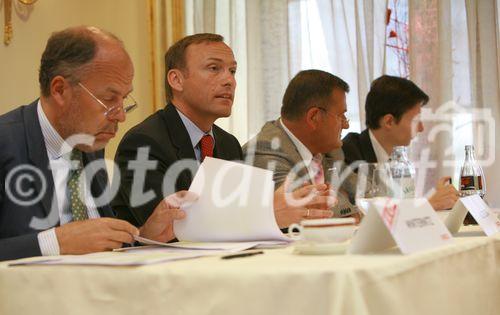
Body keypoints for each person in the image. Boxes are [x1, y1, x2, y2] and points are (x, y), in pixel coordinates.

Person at [0, 26, 188, 261]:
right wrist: (56, 242)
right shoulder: (6, 143)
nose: (121, 115)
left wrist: (143, 237)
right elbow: (71, 243)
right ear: (60, 90)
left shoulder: (90, 146)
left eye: (124, 99)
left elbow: (96, 248)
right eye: (109, 99)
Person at [113, 33, 334, 230]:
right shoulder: (144, 142)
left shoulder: (228, 144)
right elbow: (168, 229)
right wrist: (265, 215)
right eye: (214, 68)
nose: (229, 80)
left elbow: (239, 217)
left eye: (233, 71)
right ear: (176, 79)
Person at [243, 69, 358, 218]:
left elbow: (368, 194)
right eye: (341, 116)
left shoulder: (329, 150)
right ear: (314, 117)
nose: (346, 125)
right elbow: (311, 213)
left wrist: (353, 208)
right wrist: (353, 210)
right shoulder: (265, 150)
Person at [342, 75, 459, 210]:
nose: (421, 128)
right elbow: (370, 213)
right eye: (416, 120)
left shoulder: (398, 158)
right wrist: (429, 205)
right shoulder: (349, 155)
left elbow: (401, 205)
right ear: (389, 122)